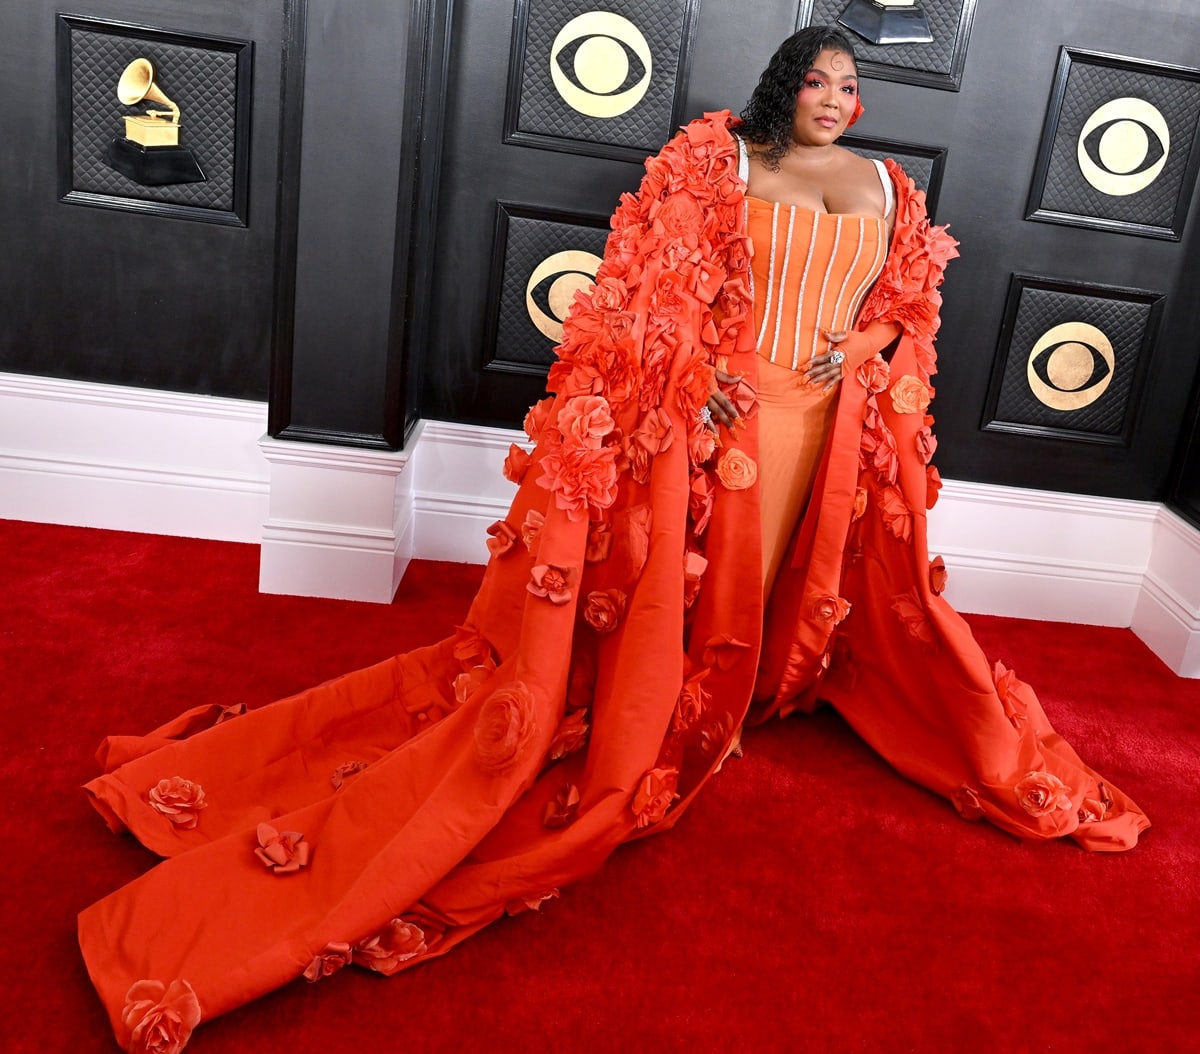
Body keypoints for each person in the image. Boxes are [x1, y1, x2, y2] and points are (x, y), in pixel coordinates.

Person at [78, 26, 1148, 1052]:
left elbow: (911, 299)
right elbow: (645, 286)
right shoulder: (712, 157)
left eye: (848, 86)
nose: (834, 100)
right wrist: (694, 380)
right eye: (817, 82)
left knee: (791, 563)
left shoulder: (889, 187)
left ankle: (759, 675)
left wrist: (862, 342)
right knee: (700, 567)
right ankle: (695, 693)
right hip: (723, 415)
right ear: (786, 83)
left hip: (831, 419)